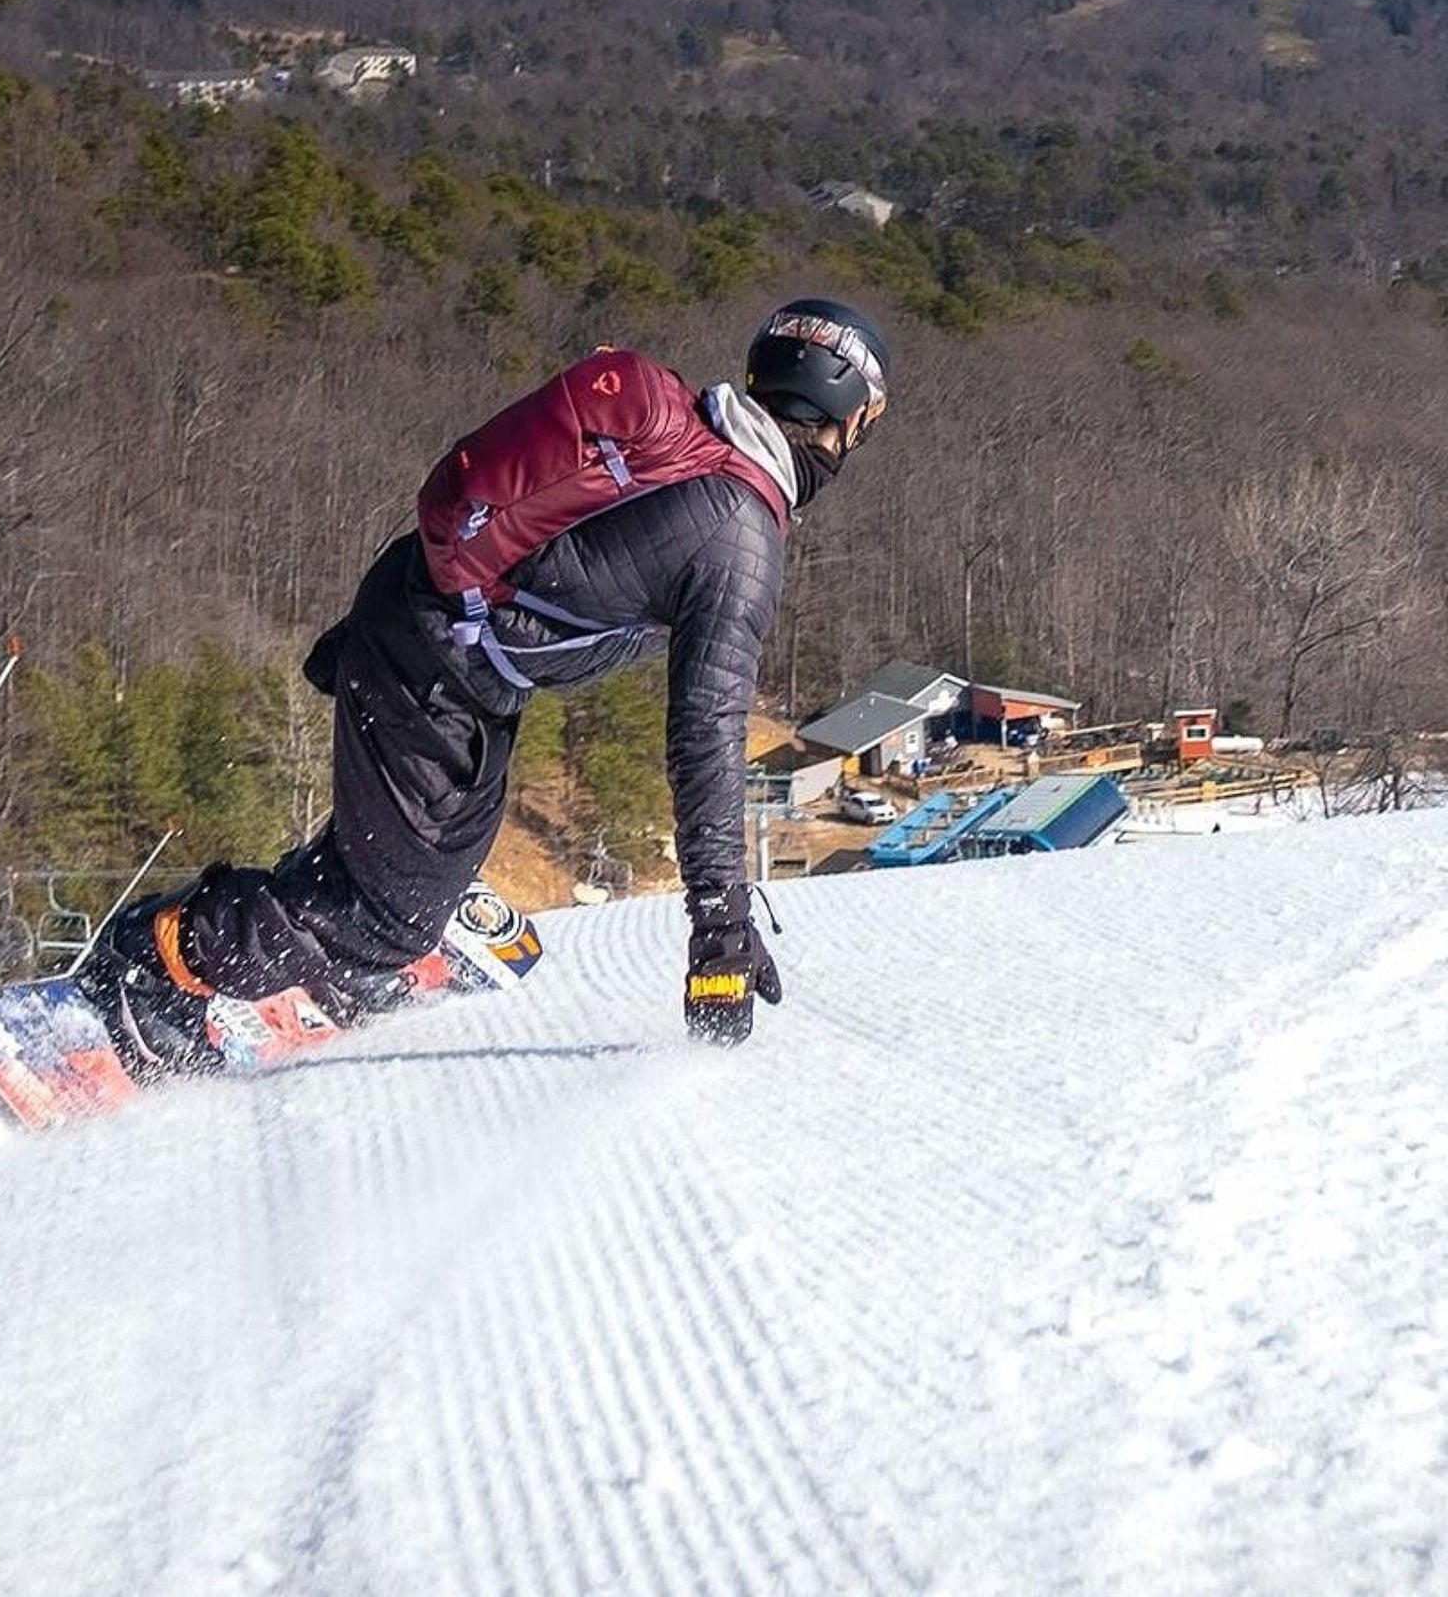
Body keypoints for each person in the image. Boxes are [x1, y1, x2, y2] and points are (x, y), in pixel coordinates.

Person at [80, 296, 891, 1074]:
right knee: (390, 920)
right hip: (432, 666)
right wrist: (720, 928)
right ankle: (152, 967)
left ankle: (333, 934)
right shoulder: (739, 535)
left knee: (415, 876)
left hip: (441, 649)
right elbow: (707, 737)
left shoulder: (689, 437)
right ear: (847, 415)